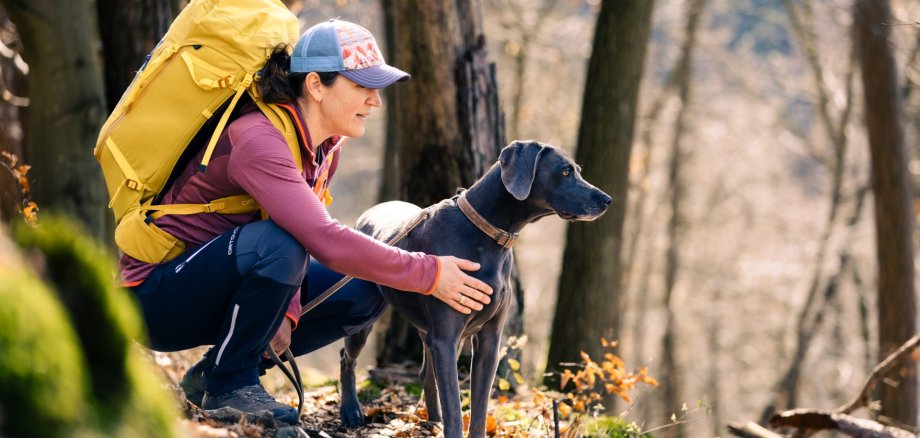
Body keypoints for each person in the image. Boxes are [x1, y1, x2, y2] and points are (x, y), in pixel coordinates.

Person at [122, 19, 493, 425]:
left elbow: (308, 230)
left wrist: (290, 310)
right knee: (277, 244)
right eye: (362, 87)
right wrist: (430, 272)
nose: (376, 101)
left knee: (368, 287)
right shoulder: (257, 140)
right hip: (155, 298)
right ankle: (230, 383)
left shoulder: (324, 147)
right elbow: (322, 239)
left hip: (221, 284)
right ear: (315, 85)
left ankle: (214, 373)